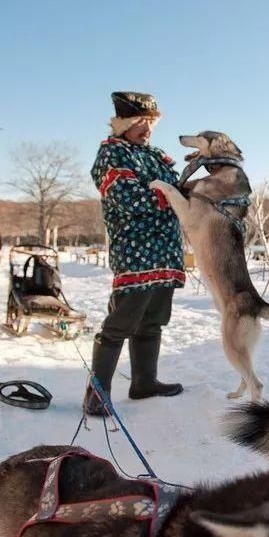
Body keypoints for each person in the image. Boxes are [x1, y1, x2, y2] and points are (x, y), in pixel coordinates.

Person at [83, 91, 186, 416]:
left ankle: (144, 382)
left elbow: (180, 187)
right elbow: (127, 197)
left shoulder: (155, 155)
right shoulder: (112, 155)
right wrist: (172, 198)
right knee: (121, 322)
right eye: (140, 122)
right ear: (123, 123)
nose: (147, 129)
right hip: (136, 250)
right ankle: (96, 394)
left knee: (152, 321)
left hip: (166, 251)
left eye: (151, 122)